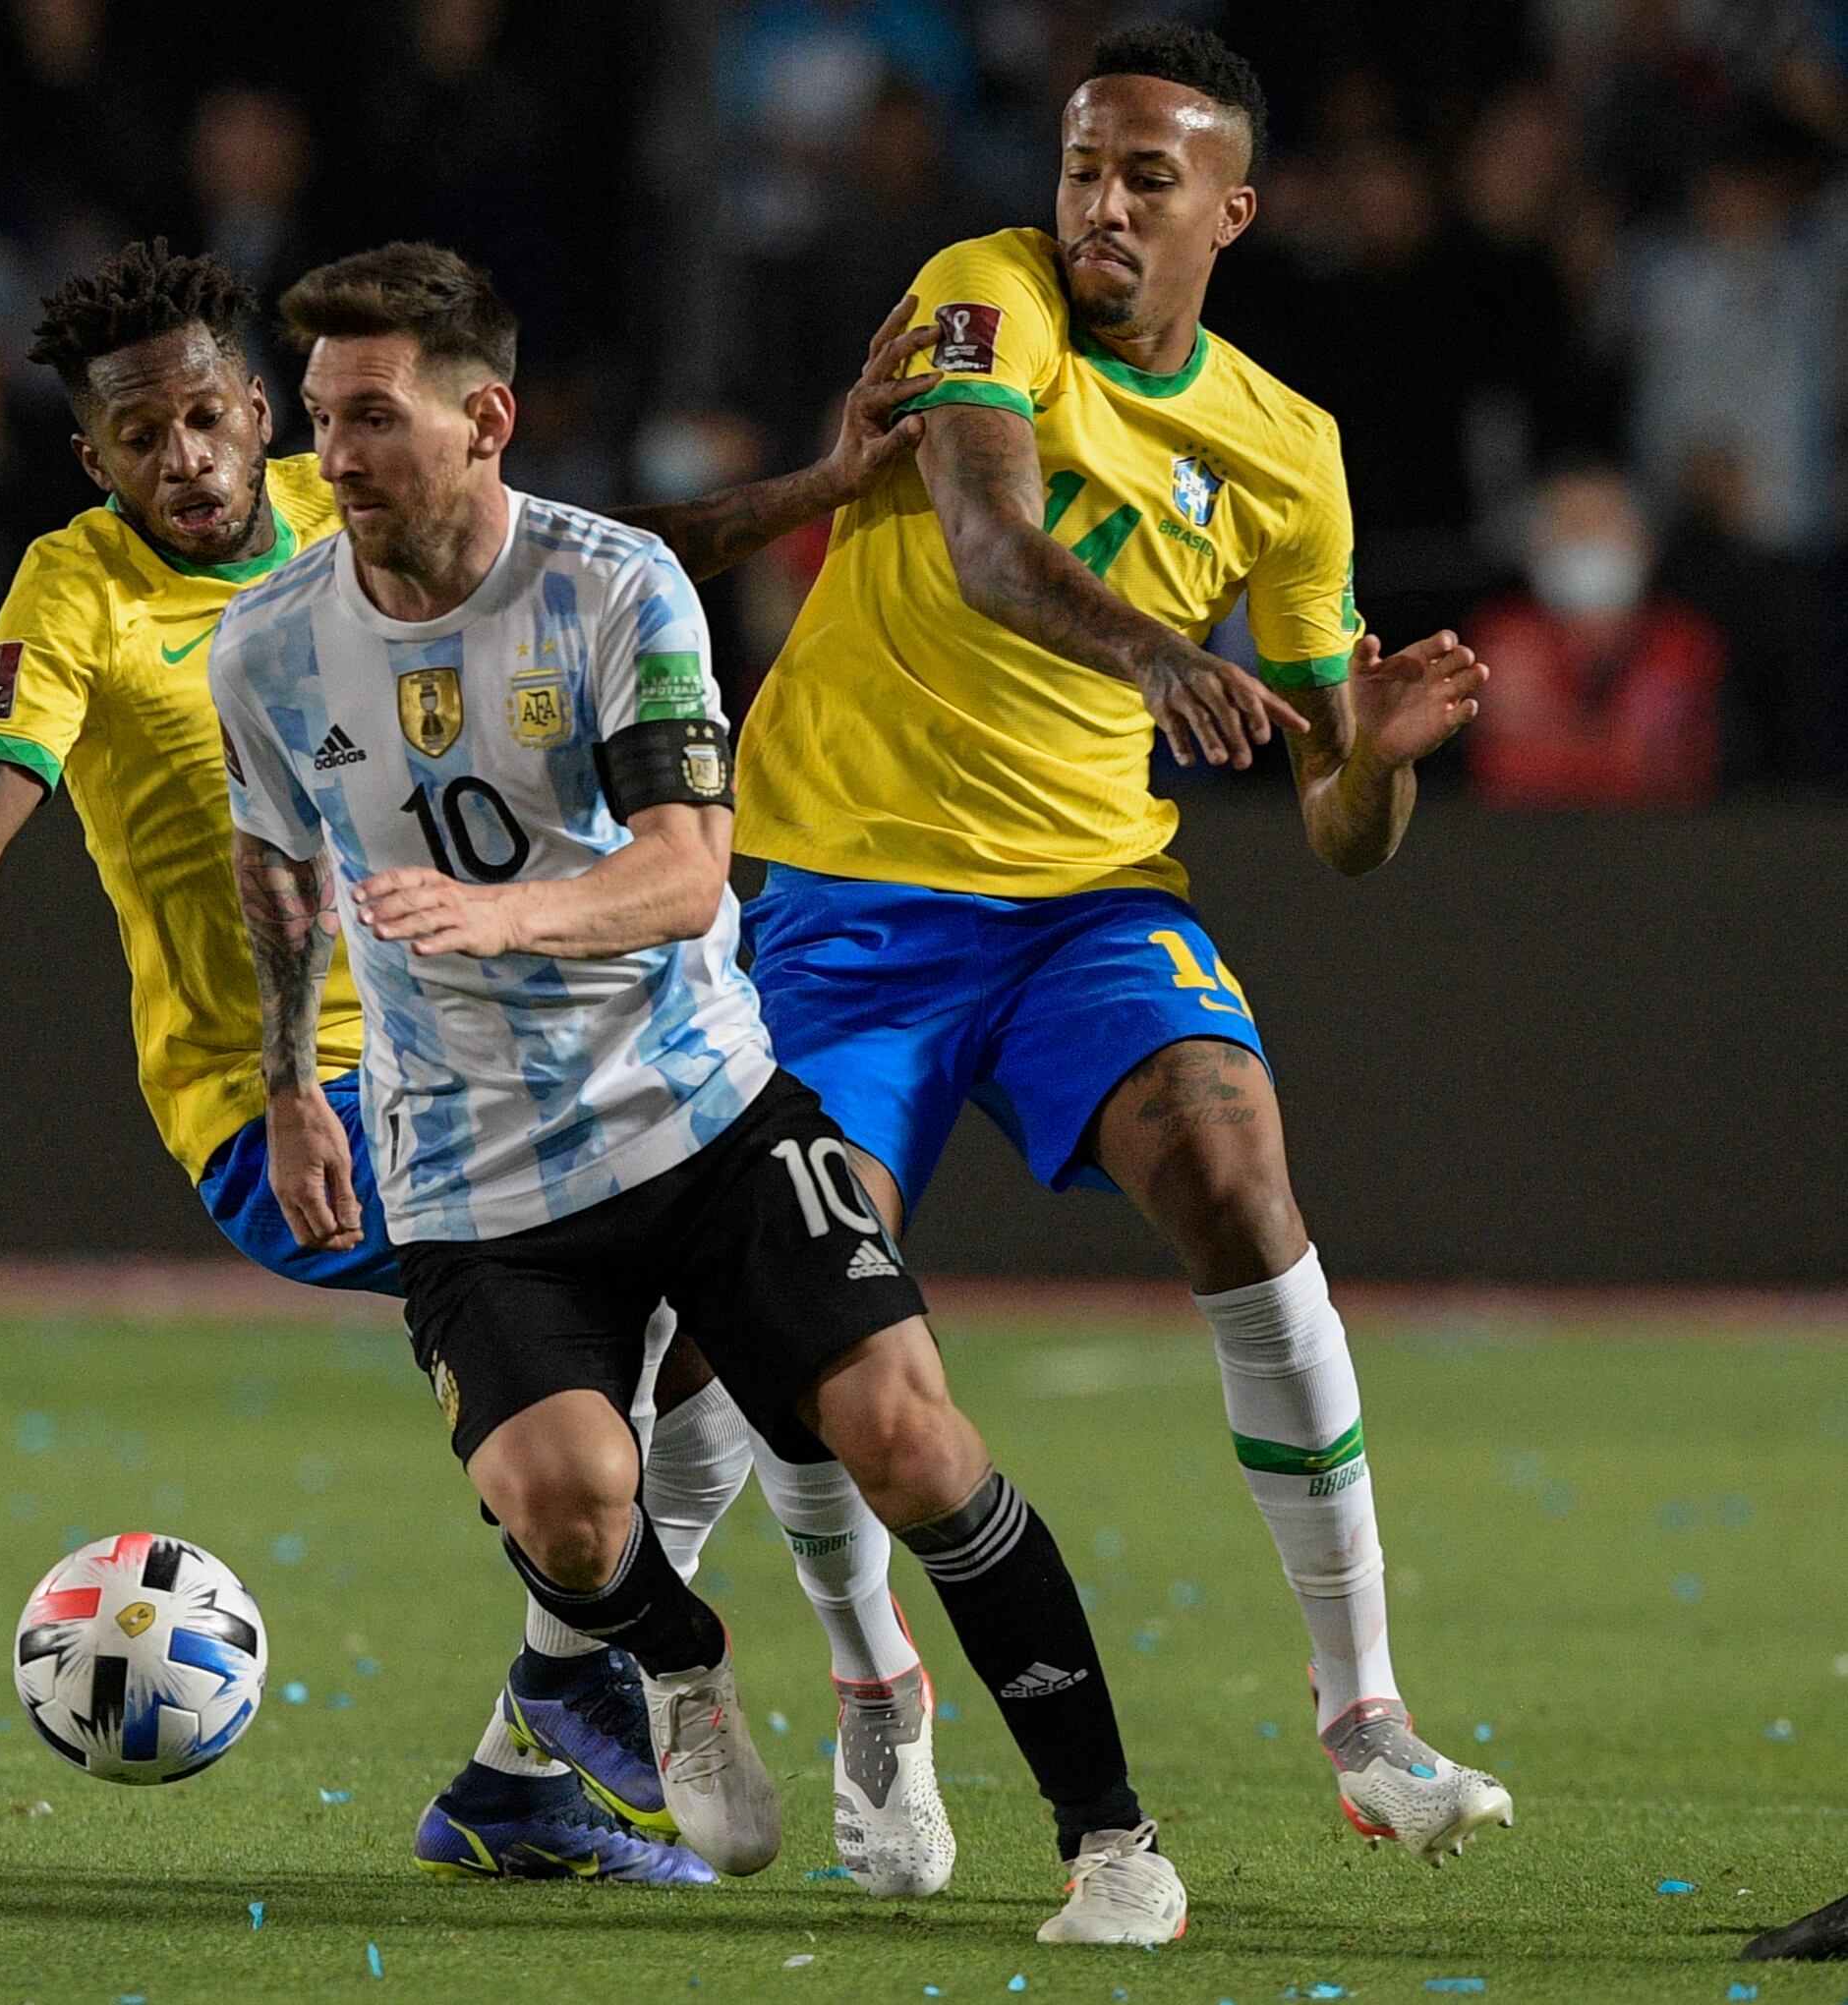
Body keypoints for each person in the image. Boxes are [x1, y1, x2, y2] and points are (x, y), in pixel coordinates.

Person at [0, 241, 951, 1889]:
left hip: (503, 1053)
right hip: (284, 1110)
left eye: (208, 417)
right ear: (95, 459)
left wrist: (828, 482)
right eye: (141, 440)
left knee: (721, 1305)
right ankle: (697, 1679)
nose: (186, 460)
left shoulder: (354, 497)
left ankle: (544, 1743)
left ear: (255, 405)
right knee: (697, 1296)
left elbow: (611, 561)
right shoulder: (78, 595)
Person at [211, 241, 1184, 1945]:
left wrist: (500, 914)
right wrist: (294, 1081)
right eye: (317, 420)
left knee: (906, 1436)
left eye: (371, 418)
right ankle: (679, 1657)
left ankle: (1110, 1841)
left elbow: (684, 875)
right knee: (569, 1509)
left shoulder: (614, 590)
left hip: (703, 1115)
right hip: (468, 1172)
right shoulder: (270, 647)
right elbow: (275, 866)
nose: (333, 458)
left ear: (485, 419)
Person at [733, 24, 1515, 1865]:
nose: (1096, 205)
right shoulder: (974, 293)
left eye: (1144, 178)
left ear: (1227, 210)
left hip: (1085, 905)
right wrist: (1163, 653)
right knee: (804, 1330)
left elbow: (1340, 835)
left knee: (1240, 1171)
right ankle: (873, 1692)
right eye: (1082, 167)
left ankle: (1368, 1720)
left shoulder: (1284, 451)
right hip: (842, 897)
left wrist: (1370, 759)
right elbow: (991, 541)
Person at [1468, 463, 1724, 808]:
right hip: (1522, 842)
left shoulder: (1684, 638)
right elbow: (1509, 765)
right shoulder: (1503, 638)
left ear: (1644, 545)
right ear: (1532, 549)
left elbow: (1654, 762)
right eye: (1568, 524)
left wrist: (1560, 731)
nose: (1586, 538)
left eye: (1602, 522)